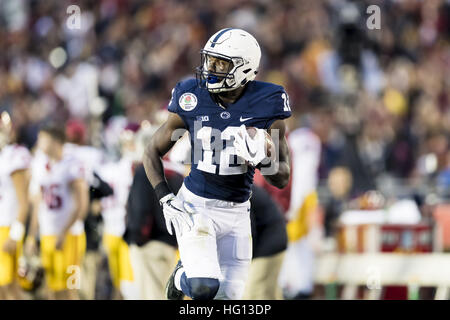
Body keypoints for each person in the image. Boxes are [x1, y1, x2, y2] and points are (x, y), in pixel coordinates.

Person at [143, 28, 291, 300]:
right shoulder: (192, 96)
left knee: (227, 298)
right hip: (196, 206)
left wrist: (263, 158)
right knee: (203, 287)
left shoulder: (268, 102)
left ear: (244, 68)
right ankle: (180, 277)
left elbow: (281, 176)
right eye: (209, 60)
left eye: (220, 63)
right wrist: (164, 197)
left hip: (237, 213)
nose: (210, 69)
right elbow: (152, 150)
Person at [27, 125, 89, 300]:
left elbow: (82, 204)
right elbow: (38, 205)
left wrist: (64, 232)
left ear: (55, 142)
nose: (39, 143)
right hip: (48, 234)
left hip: (71, 236)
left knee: (70, 289)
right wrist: (32, 236)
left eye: (43, 139)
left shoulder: (72, 164)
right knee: (52, 289)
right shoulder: (41, 166)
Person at [0, 111, 32, 299]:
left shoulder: (14, 156)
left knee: (10, 287)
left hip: (7, 227)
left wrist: (15, 233)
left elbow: (24, 200)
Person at [243, 185, 287, 300]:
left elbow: (249, 231)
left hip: (268, 246)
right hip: (273, 241)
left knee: (253, 292)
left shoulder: (240, 189)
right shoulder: (240, 184)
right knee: (270, 293)